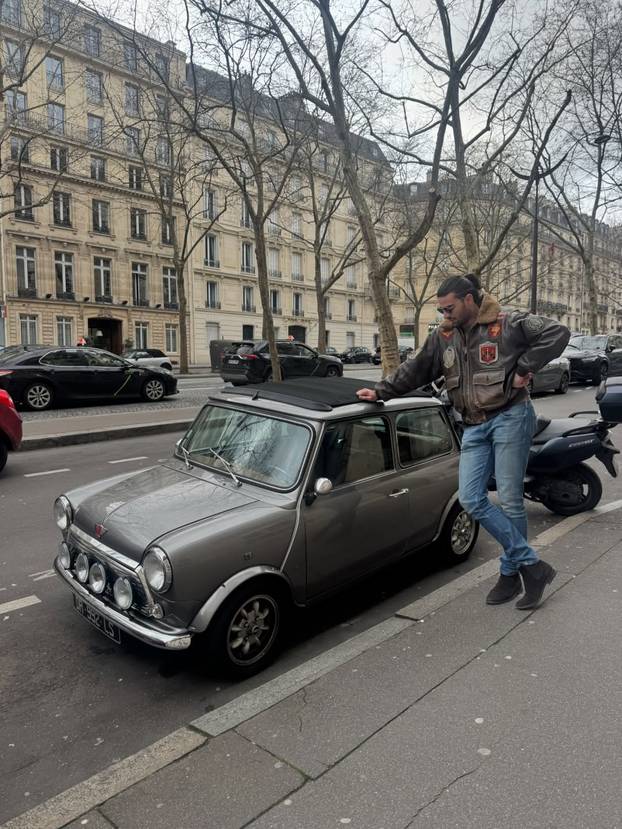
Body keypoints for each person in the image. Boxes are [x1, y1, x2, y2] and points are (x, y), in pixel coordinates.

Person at [357, 273, 570, 610]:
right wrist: (381, 391)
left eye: (449, 308)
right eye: (441, 310)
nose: (445, 315)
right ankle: (532, 566)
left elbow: (558, 333)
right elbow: (417, 369)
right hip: (473, 425)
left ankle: (510, 571)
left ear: (469, 300)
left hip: (510, 416)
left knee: (512, 501)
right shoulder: (443, 335)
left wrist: (526, 366)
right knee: (471, 499)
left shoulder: (508, 323)